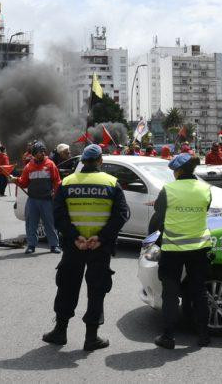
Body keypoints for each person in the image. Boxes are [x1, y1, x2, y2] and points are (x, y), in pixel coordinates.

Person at [42, 144, 130, 351]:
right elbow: (121, 215)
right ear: (100, 161)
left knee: (67, 287)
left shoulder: (67, 183)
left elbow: (58, 216)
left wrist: (74, 237)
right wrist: (100, 238)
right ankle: (91, 338)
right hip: (100, 247)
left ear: (83, 162)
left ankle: (60, 332)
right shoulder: (111, 183)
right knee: (97, 290)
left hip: (74, 247)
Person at [148, 154, 213, 349]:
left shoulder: (168, 189)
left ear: (178, 171)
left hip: (172, 248)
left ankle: (168, 337)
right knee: (199, 291)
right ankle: (203, 335)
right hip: (199, 248)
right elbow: (205, 209)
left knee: (170, 292)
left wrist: (154, 239)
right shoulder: (206, 189)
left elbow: (158, 218)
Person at [15, 142, 62, 254]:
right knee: (31, 223)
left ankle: (54, 245)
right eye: (39, 152)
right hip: (32, 200)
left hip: (47, 200)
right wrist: (16, 180)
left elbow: (57, 182)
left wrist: (56, 196)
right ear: (34, 154)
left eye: (43, 151)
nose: (42, 153)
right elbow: (24, 183)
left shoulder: (50, 165)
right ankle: (31, 245)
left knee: (50, 224)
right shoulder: (28, 167)